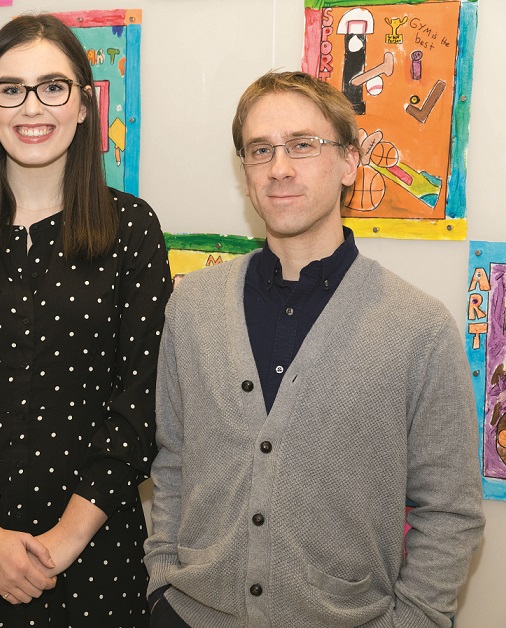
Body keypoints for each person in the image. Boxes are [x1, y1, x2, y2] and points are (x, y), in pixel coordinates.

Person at [144, 71, 484, 627]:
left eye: (302, 145)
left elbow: (450, 511)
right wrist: (162, 584)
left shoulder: (418, 328)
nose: (279, 167)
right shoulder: (192, 307)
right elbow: (175, 460)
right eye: (261, 150)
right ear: (246, 172)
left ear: (350, 163)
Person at [0, 14, 172, 627]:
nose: (32, 107)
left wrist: (62, 543)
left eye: (53, 86)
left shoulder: (132, 231)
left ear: (82, 105)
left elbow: (142, 401)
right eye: (11, 88)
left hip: (92, 554)